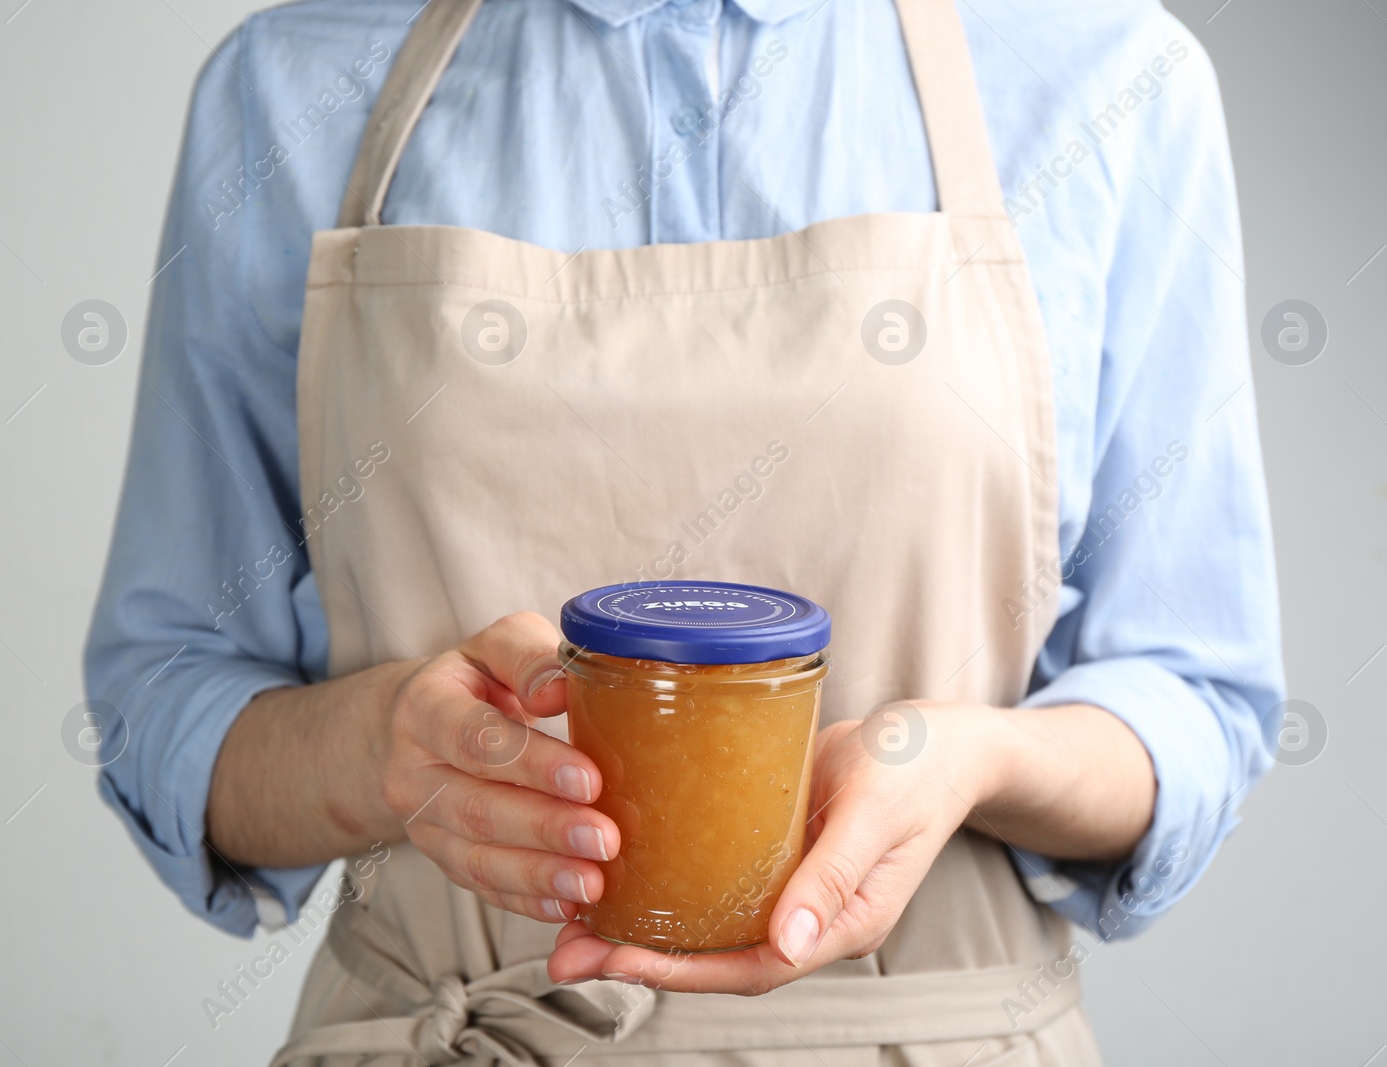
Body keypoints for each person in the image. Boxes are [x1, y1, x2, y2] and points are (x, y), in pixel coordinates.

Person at [86, 0, 1285, 1062]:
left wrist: (966, 756)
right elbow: (167, 701)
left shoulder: (1109, 74)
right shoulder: (290, 83)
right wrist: (382, 750)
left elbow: (1198, 692)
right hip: (458, 1029)